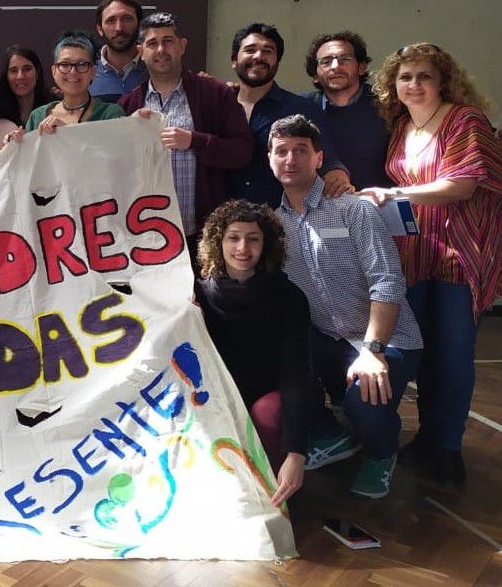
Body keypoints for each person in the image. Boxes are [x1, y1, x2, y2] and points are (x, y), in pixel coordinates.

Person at [360, 43, 502, 488]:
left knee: (454, 351)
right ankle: (425, 439)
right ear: (393, 86)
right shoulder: (401, 126)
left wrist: (395, 195)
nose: (414, 84)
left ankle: (447, 448)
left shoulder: (465, 120)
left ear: (443, 81)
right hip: (416, 250)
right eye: (405, 77)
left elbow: (461, 186)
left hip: (461, 250)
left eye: (424, 76)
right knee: (419, 350)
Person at [270, 114, 421, 499]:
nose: (290, 159)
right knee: (274, 362)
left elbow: (387, 280)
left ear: (319, 158)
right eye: (281, 151)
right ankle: (334, 436)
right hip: (325, 336)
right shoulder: (272, 224)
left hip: (385, 338)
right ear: (270, 159)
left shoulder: (354, 209)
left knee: (365, 402)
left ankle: (381, 453)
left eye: (301, 151)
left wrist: (372, 352)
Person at [195, 199, 311, 507]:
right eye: (233, 237)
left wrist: (296, 453)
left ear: (266, 244)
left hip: (266, 395)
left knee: (269, 415)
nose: (242, 247)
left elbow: (297, 375)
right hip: (216, 395)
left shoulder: (290, 298)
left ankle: (272, 493)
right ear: (218, 242)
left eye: (253, 238)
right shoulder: (195, 296)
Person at [118, 12, 253, 250]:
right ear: (140, 51)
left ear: (182, 46)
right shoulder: (129, 105)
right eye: (152, 43)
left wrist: (195, 141)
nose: (161, 49)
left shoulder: (215, 93)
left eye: (168, 41)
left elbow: (242, 152)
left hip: (203, 234)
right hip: (147, 237)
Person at [227, 22, 351, 207]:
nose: (259, 56)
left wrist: (337, 176)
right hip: (223, 224)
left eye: (268, 51)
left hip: (281, 223)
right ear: (234, 60)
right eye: (250, 50)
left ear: (277, 63)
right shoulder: (217, 105)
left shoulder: (301, 109)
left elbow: (326, 159)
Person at [301, 31, 391, 190]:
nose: (335, 67)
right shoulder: (301, 108)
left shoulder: (388, 103)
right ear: (315, 74)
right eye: (326, 61)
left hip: (379, 204)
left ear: (361, 67)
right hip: (323, 209)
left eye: (345, 59)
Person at [23, 32, 126, 134]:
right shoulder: (37, 117)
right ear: (54, 71)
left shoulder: (110, 115)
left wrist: (69, 134)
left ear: (93, 72)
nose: (73, 71)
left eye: (81, 64)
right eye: (65, 64)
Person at [90, 0, 148, 103]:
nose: (119, 28)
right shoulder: (84, 72)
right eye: (111, 20)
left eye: (127, 19)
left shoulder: (157, 68)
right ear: (100, 29)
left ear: (140, 25)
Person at [0, 45, 56, 126]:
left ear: (37, 72)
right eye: (13, 71)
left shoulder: (54, 107)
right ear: (6, 75)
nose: (20, 76)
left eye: (27, 69)